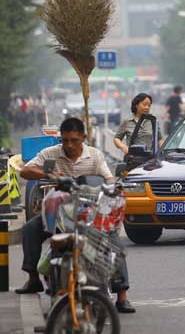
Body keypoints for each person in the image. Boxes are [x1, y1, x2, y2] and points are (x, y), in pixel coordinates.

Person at [16, 118, 135, 313]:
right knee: (30, 228)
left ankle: (122, 295)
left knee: (112, 240)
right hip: (58, 212)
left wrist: (114, 188)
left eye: (74, 140)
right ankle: (33, 279)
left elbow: (109, 178)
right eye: (65, 141)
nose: (69, 145)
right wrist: (50, 176)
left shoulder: (95, 156)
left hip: (91, 213)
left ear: (84, 138)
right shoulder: (50, 154)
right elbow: (26, 171)